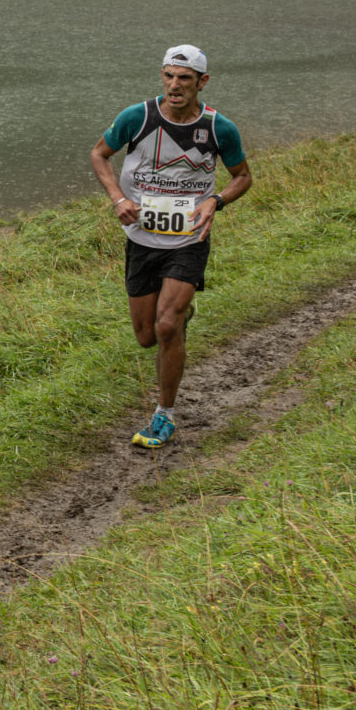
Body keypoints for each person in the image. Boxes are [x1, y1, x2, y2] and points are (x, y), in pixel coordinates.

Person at [88, 45, 253, 449]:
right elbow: (99, 154)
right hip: (141, 238)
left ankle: (164, 415)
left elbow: (243, 176)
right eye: (168, 76)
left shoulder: (219, 128)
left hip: (188, 238)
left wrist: (216, 201)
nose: (175, 85)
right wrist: (117, 199)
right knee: (146, 337)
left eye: (184, 78)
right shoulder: (138, 117)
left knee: (166, 326)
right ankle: (180, 316)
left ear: (202, 81)